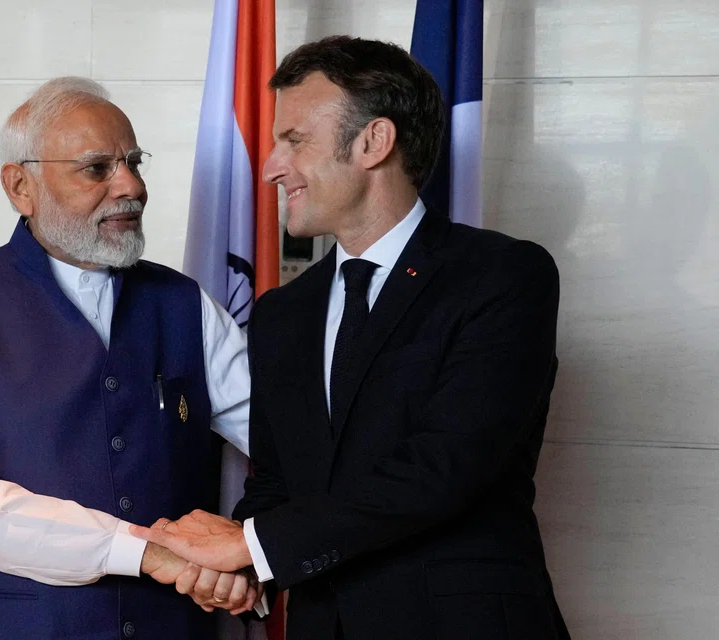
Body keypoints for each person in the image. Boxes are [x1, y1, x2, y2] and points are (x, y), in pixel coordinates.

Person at [132, 36, 571, 640]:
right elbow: (276, 481)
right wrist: (244, 573)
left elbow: (446, 466)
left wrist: (252, 546)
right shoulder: (285, 311)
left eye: (295, 140)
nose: (269, 167)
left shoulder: (502, 276)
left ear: (374, 142)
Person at [0, 76, 261, 640]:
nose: (131, 186)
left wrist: (250, 552)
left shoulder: (186, 303)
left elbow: (287, 444)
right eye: (98, 169)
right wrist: (145, 552)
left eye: (134, 163)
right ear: (21, 187)